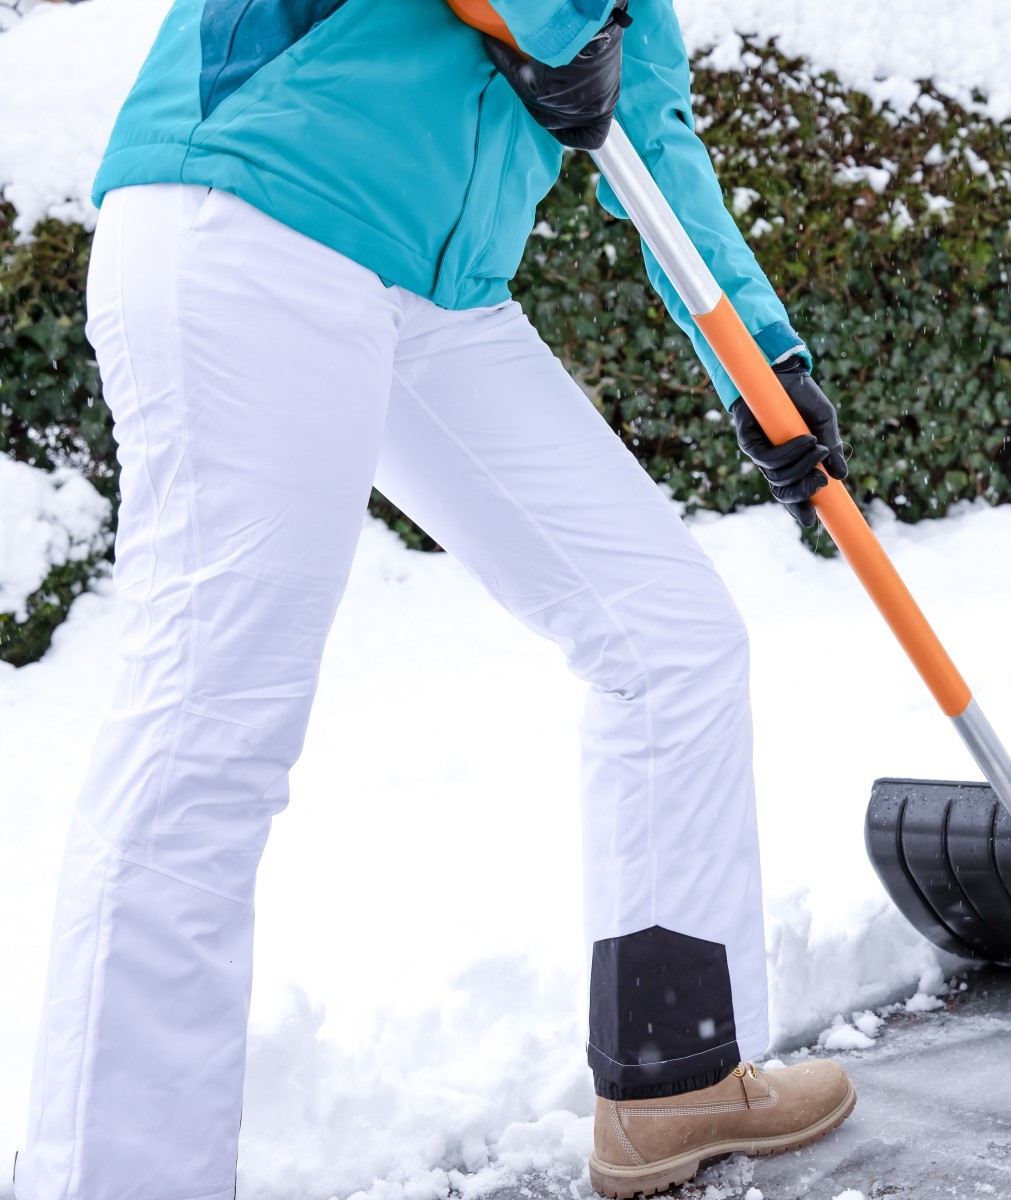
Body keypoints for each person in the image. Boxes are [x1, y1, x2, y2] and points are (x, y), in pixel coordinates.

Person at [13, 0, 856, 1197]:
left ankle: (676, 1075)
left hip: (436, 291)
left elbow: (651, 128)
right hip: (260, 213)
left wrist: (762, 362)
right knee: (208, 739)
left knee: (669, 634)